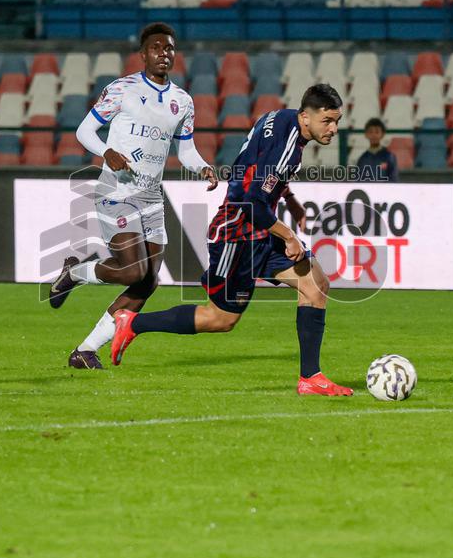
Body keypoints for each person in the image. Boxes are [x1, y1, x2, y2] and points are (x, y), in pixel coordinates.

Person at [109, 84, 354, 396]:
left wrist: (288, 198)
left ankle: (310, 378)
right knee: (220, 319)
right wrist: (289, 236)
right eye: (328, 121)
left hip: (259, 230)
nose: (333, 129)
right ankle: (131, 323)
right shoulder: (288, 146)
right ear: (306, 116)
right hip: (237, 234)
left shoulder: (279, 118)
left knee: (315, 284)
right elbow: (249, 201)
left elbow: (257, 171)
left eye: (337, 121)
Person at [50, 22, 218, 370]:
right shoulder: (122, 89)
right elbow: (84, 131)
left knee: (148, 281)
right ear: (143, 54)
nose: (164, 53)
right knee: (133, 270)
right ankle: (76, 273)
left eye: (169, 48)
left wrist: (203, 167)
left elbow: (185, 151)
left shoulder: (182, 101)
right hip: (117, 190)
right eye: (156, 47)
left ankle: (85, 351)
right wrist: (106, 152)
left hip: (152, 198)